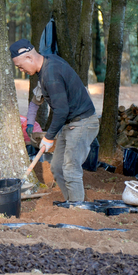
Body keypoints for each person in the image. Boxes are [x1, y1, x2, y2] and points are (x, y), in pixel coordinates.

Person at [11, 38, 99, 203]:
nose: (21, 70)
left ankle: (77, 208)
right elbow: (55, 109)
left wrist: (48, 137)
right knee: (57, 167)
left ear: (29, 58)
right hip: (70, 124)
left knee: (70, 168)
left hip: (83, 122)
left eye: (20, 66)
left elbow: (61, 110)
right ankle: (70, 203)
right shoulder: (47, 64)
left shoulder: (51, 73)